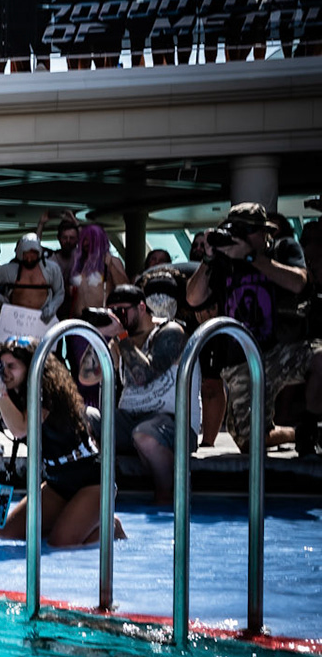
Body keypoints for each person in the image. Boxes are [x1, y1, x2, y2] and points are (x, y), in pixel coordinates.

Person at [184, 202, 318, 454]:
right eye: (236, 231)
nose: (241, 238)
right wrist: (209, 258)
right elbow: (193, 298)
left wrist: (250, 257)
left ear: (264, 232)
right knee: (250, 442)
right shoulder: (223, 261)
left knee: (320, 359)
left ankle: (311, 427)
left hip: (282, 349)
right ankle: (295, 432)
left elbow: (299, 282)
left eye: (247, 231)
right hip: (242, 359)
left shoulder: (283, 248)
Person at [0, 339, 124, 547]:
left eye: (11, 366)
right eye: (1, 367)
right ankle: (76, 520)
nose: (4, 373)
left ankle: (110, 527)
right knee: (7, 534)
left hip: (91, 478)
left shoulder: (46, 394)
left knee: (60, 544)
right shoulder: (9, 397)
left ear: (31, 369)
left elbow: (20, 428)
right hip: (57, 481)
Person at [100, 282, 187, 506]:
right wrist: (97, 336)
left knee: (144, 435)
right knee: (81, 420)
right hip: (129, 420)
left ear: (141, 307)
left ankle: (167, 495)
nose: (118, 318)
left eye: (122, 311)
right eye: (113, 313)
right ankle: (95, 495)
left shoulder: (170, 331)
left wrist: (120, 335)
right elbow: (87, 376)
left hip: (172, 421)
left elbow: (144, 375)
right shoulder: (119, 341)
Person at [0, 232, 66, 338]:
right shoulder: (8, 270)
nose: (29, 258)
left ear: (39, 252)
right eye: (26, 254)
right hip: (15, 321)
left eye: (33, 253)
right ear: (20, 253)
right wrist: (0, 299)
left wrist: (52, 307)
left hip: (42, 321)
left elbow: (60, 292)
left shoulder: (52, 269)